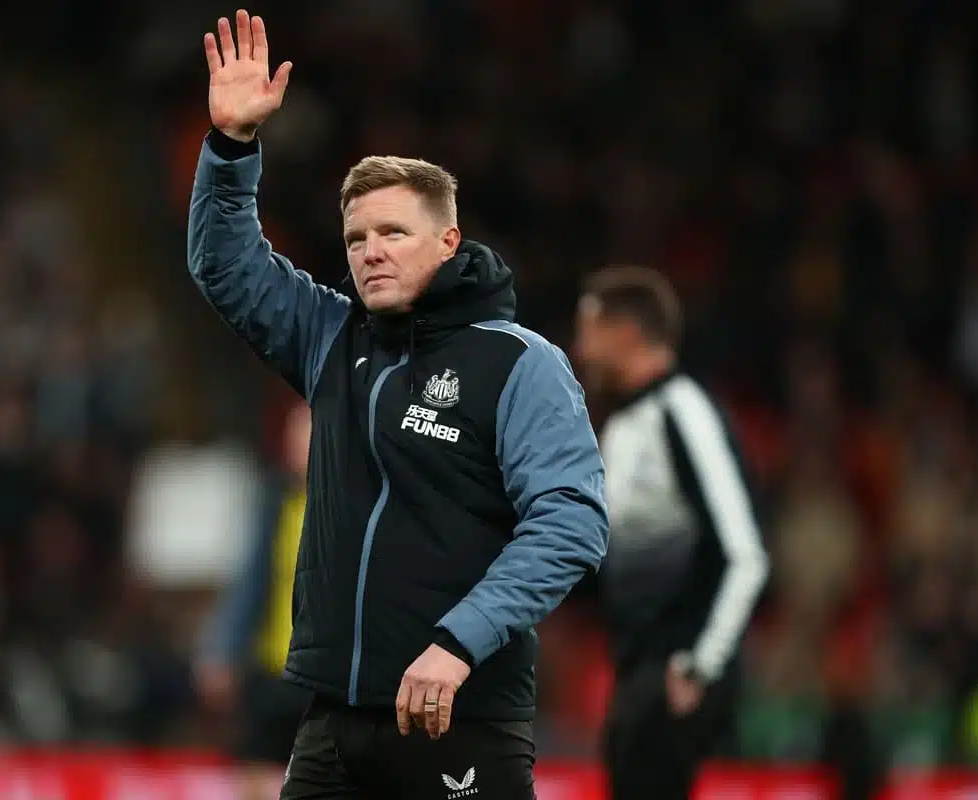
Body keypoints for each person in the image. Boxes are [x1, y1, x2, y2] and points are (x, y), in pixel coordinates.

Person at [188, 11, 610, 798]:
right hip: (332, 722)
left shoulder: (520, 364)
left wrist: (459, 642)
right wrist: (232, 147)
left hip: (461, 717)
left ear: (448, 243)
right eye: (356, 238)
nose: (371, 251)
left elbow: (572, 522)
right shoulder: (332, 336)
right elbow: (226, 268)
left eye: (393, 232)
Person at [572, 266, 770, 799]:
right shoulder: (621, 426)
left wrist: (701, 664)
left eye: (589, 332)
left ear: (627, 333)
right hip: (635, 667)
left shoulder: (684, 411)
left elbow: (746, 553)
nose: (580, 350)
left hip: (676, 672)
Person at [194, 400, 313, 799]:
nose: (296, 447)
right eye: (292, 437)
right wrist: (222, 649)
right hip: (273, 667)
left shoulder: (354, 506)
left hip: (326, 676)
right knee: (256, 771)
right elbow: (250, 579)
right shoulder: (275, 502)